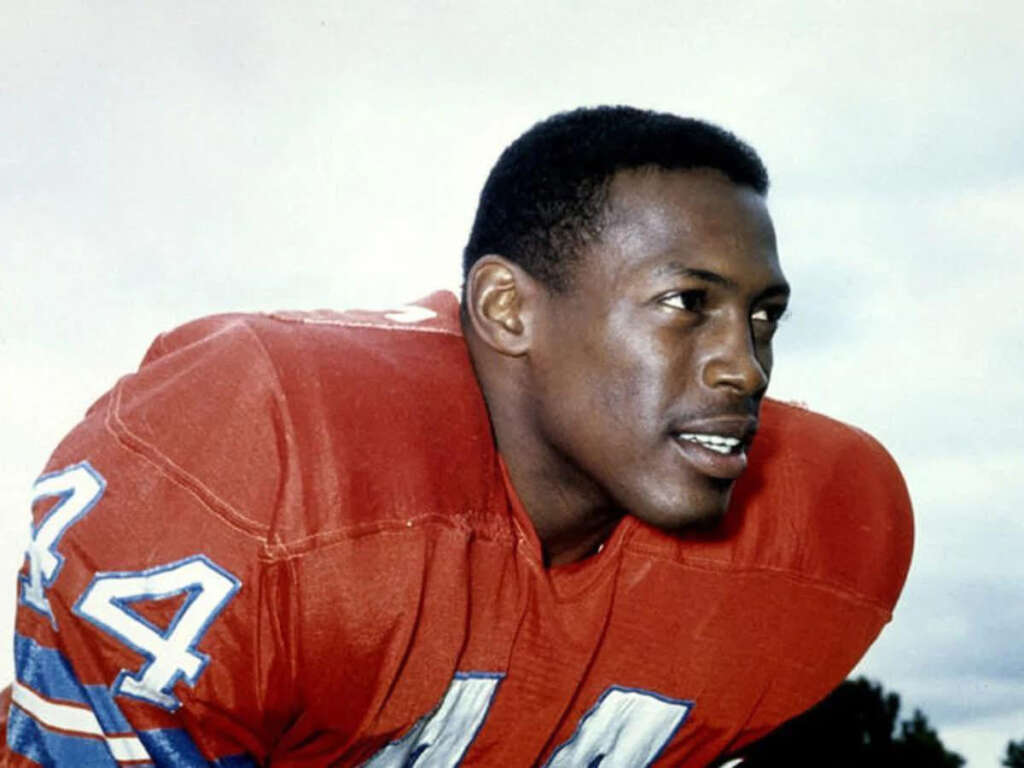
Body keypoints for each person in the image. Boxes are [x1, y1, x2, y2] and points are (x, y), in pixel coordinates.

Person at [1, 106, 913, 767]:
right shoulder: (260, 448)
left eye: (765, 320)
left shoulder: (819, 538)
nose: (745, 369)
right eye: (687, 304)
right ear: (508, 308)